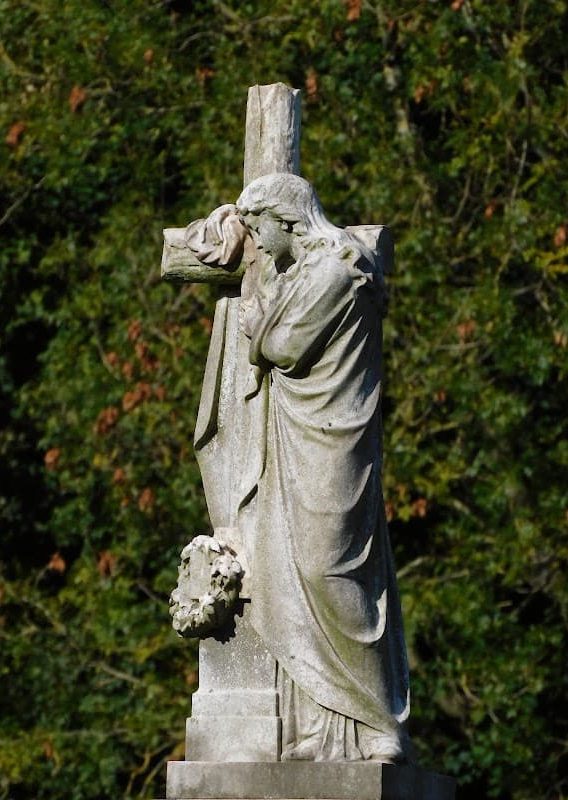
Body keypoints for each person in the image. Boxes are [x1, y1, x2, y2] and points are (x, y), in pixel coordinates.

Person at [192, 173, 410, 762]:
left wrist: (257, 327)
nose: (256, 243)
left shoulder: (339, 270)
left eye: (260, 228)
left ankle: (380, 721)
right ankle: (332, 726)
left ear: (287, 221)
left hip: (333, 439)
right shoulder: (303, 270)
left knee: (328, 570)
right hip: (291, 432)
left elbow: (283, 346)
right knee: (285, 572)